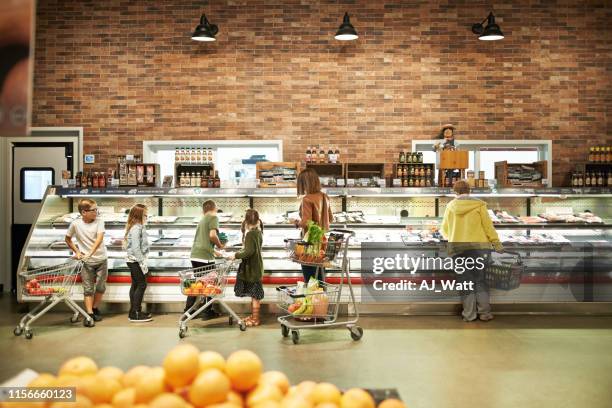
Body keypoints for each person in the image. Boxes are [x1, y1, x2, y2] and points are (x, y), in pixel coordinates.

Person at [441, 180, 503, 322]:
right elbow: (488, 227)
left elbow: (444, 229)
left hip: (459, 249)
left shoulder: (450, 206)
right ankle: (485, 314)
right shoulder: (480, 205)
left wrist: (454, 235)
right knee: (481, 281)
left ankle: (469, 315)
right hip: (480, 249)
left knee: (465, 283)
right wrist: (497, 244)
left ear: (455, 192)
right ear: (469, 191)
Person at [64, 198, 107, 322]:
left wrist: (90, 253)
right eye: (94, 210)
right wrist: (77, 252)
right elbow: (67, 239)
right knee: (88, 288)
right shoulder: (75, 224)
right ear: (84, 212)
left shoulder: (99, 221)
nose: (96, 212)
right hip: (86, 263)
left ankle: (95, 307)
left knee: (100, 287)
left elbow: (99, 240)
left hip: (101, 259)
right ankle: (90, 313)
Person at [184, 199, 225, 319]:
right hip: (205, 257)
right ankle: (207, 311)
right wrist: (220, 245)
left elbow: (202, 241)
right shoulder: (213, 217)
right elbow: (212, 235)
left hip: (195, 255)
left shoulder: (201, 220)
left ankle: (188, 310)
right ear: (214, 207)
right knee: (210, 284)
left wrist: (215, 252)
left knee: (198, 283)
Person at [296, 168, 333, 284]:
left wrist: (296, 222)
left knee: (310, 280)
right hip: (322, 243)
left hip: (309, 244)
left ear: (305, 183)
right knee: (320, 277)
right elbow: (331, 218)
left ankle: (312, 301)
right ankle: (321, 300)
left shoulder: (307, 199)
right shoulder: (324, 196)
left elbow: (306, 222)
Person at [230, 209, 265, 327]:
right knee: (253, 294)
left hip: (252, 268)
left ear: (246, 221)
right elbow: (251, 249)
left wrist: (236, 255)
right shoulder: (258, 232)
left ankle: (256, 319)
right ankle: (253, 316)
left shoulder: (250, 234)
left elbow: (249, 251)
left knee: (255, 296)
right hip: (257, 267)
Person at [124, 204, 152, 322]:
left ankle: (133, 311)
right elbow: (136, 248)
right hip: (135, 261)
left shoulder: (138, 227)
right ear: (139, 215)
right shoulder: (136, 228)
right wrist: (142, 263)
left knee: (135, 285)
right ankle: (136, 313)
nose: (146, 217)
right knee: (141, 285)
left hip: (134, 260)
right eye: (145, 215)